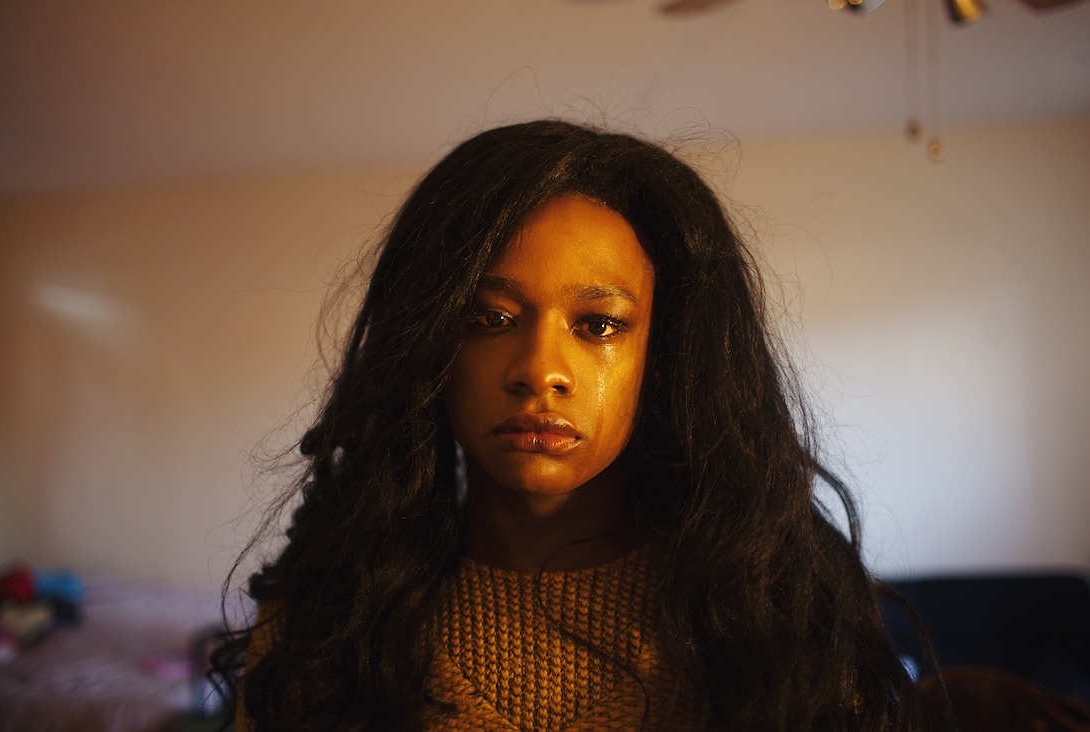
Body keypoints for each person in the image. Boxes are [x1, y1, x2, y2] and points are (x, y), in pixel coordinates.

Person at [217, 119, 948, 731]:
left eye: (598, 324)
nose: (540, 370)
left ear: (667, 353)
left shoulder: (779, 623)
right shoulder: (322, 629)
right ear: (427, 343)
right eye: (489, 318)